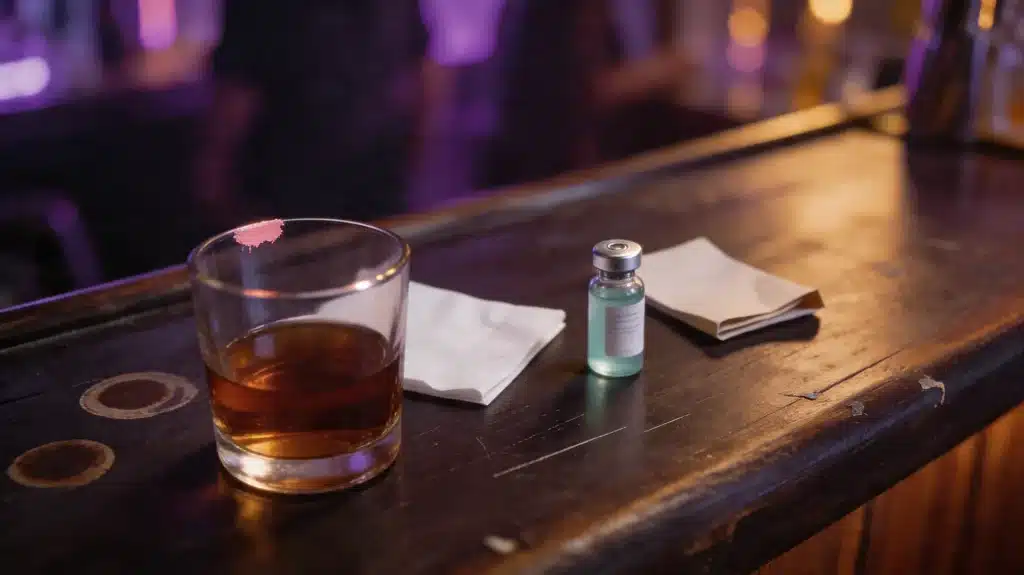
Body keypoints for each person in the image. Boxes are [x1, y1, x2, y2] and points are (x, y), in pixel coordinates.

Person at [195, 0, 429, 225]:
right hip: (362, 166)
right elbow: (420, 70)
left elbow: (238, 88)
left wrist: (214, 168)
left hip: (296, 175)